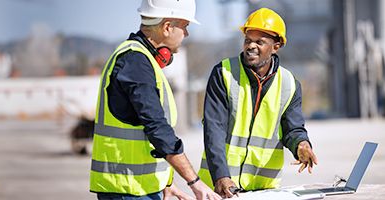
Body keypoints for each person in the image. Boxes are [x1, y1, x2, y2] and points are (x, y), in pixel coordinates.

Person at [89, 0, 221, 200]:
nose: (187, 34)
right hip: (128, 190)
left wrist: (165, 184)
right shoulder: (135, 62)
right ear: (167, 27)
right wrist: (195, 182)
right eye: (185, 27)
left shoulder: (140, 60)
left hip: (139, 188)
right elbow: (157, 128)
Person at [198, 8, 318, 198]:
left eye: (259, 42)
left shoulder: (289, 84)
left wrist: (301, 145)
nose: (250, 46)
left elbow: (293, 128)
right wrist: (220, 175)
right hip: (220, 188)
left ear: (276, 46)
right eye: (247, 40)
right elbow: (214, 128)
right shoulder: (224, 73)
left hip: (263, 189)